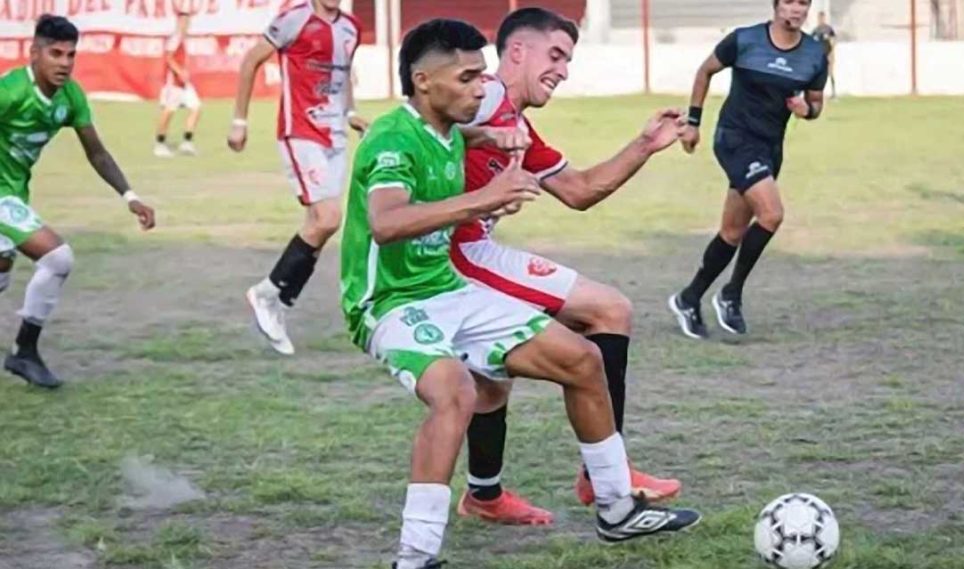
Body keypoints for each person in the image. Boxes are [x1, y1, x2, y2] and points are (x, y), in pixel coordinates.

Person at [340, 18, 702, 569]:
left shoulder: (457, 125)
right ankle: (414, 557)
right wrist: (485, 197)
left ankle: (615, 507)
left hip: (449, 286)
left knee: (582, 360)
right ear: (424, 81)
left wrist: (490, 145)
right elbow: (387, 223)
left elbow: (571, 186)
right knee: (458, 390)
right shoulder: (411, 131)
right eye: (467, 77)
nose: (479, 89)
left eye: (480, 78)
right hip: (389, 301)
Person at [452, 7, 683, 526]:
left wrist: (645, 144)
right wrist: (484, 144)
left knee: (489, 380)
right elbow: (422, 127)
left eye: (568, 59)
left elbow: (579, 191)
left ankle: (485, 496)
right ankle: (606, 474)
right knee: (609, 309)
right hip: (456, 254)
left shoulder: (518, 124)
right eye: (555, 55)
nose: (563, 69)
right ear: (517, 51)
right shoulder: (484, 95)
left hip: (473, 250)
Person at [0, 15, 156, 388]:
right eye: (56, 54)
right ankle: (25, 352)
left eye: (71, 55)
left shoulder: (70, 96)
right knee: (58, 258)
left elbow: (97, 153)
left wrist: (130, 196)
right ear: (33, 53)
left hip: (15, 194)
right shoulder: (10, 91)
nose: (65, 63)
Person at [669, 0, 827, 338]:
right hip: (735, 140)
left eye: (803, 3)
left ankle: (689, 297)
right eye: (789, 2)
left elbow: (816, 104)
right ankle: (731, 294)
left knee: (732, 232)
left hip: (771, 148)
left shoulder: (814, 54)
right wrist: (693, 122)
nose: (796, 10)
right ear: (776, 5)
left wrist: (806, 110)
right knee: (771, 214)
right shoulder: (744, 40)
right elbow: (705, 71)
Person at [228, 0, 369, 355]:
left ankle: (279, 301)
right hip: (301, 131)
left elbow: (344, 74)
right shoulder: (295, 19)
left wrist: (351, 112)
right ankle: (267, 293)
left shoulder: (351, 27)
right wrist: (239, 121)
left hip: (334, 135)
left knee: (319, 226)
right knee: (328, 217)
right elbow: (251, 61)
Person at [154, 9, 200, 158]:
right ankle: (159, 144)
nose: (187, 25)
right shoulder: (175, 38)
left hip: (183, 83)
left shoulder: (182, 39)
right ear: (179, 23)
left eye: (188, 22)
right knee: (169, 111)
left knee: (196, 107)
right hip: (174, 83)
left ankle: (187, 142)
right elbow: (168, 57)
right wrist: (179, 71)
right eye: (184, 22)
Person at [811, 11, 836, 99]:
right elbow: (812, 42)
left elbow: (834, 39)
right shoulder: (816, 30)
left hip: (828, 54)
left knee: (830, 73)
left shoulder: (828, 29)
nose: (821, 20)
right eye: (819, 18)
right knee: (819, 74)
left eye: (822, 18)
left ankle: (834, 93)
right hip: (820, 56)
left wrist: (832, 52)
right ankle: (819, 93)